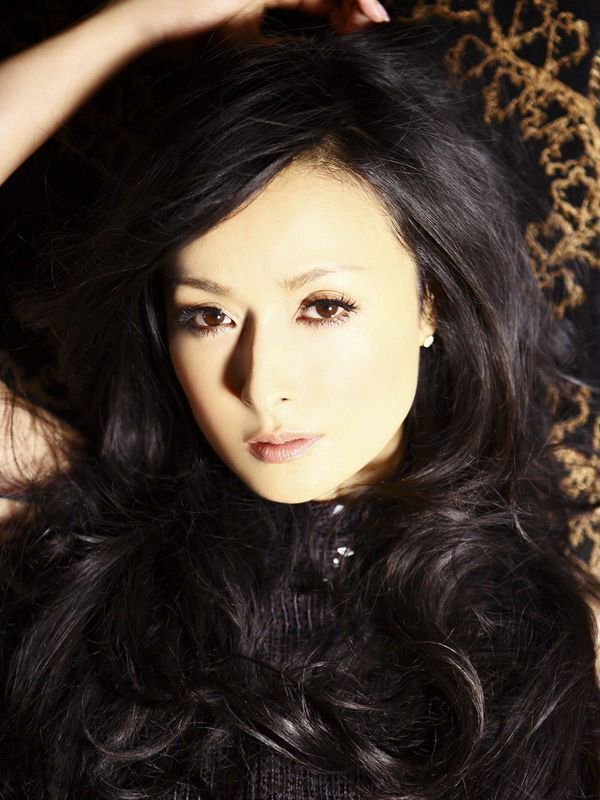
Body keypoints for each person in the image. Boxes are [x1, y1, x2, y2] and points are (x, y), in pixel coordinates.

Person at [0, 1, 598, 798]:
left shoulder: (552, 627)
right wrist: (141, 22)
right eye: (207, 316)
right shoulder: (82, 533)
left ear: (432, 301)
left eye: (322, 306)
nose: (259, 383)